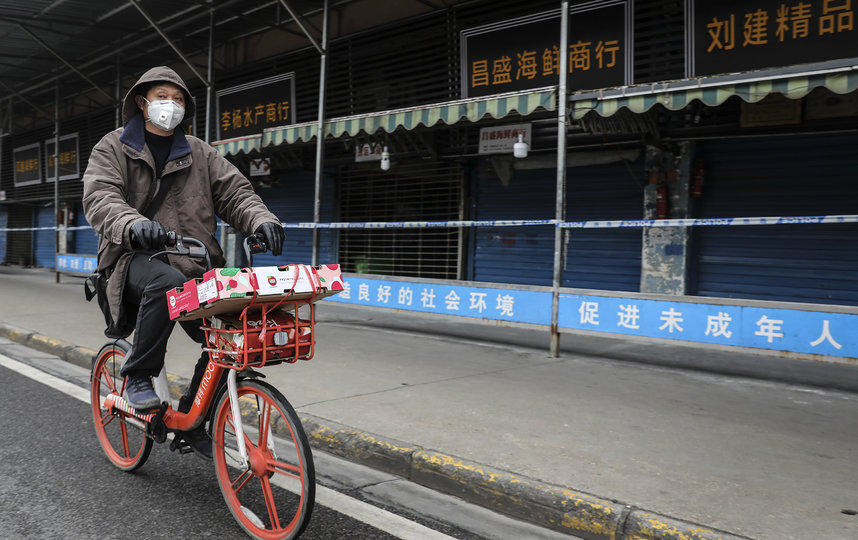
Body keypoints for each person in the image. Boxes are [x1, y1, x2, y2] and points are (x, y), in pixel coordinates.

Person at [82, 66, 284, 458]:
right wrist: (134, 224)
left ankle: (194, 421)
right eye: (161, 97)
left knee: (231, 334)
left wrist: (261, 220)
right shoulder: (112, 147)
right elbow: (100, 197)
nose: (169, 106)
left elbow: (236, 193)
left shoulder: (200, 152)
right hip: (131, 262)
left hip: (196, 266)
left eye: (177, 100)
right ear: (142, 102)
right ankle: (138, 374)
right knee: (166, 281)